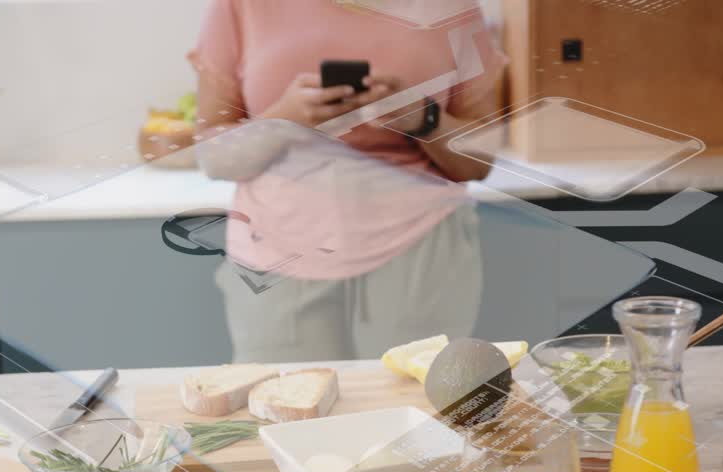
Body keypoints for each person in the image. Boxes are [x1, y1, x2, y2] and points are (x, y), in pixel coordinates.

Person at [189, 0, 506, 362]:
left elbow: (479, 162)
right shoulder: (240, 6)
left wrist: (422, 117)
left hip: (421, 248)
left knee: (411, 410)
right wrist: (285, 120)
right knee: (286, 409)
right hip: (277, 252)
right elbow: (214, 157)